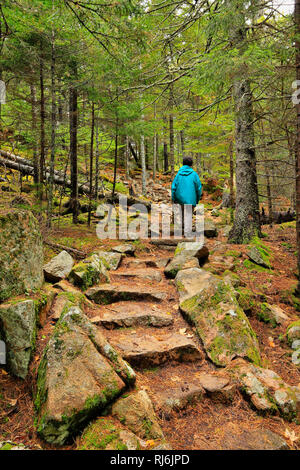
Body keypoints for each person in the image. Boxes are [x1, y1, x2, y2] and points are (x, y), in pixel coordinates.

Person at [171, 157, 202, 236]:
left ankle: (182, 230)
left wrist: (173, 198)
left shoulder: (178, 174)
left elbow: (173, 187)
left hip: (179, 198)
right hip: (190, 199)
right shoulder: (194, 174)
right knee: (188, 215)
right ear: (191, 164)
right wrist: (197, 199)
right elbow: (198, 188)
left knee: (181, 214)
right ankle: (187, 233)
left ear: (183, 163)